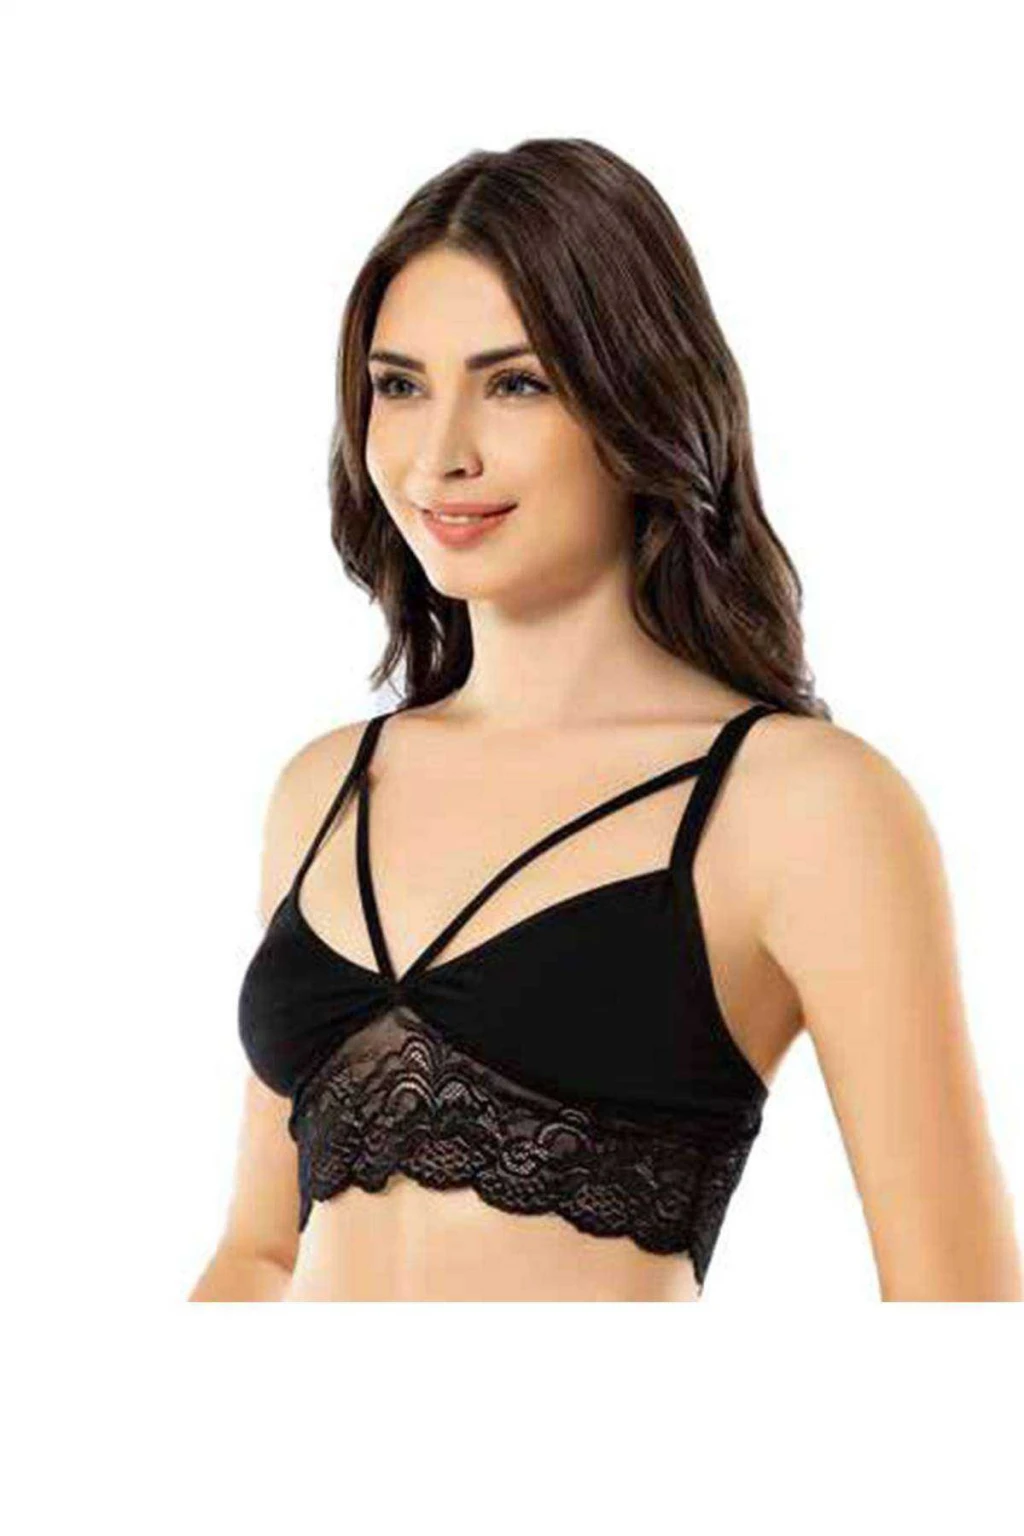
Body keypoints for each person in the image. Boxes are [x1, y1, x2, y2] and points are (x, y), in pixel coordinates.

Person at [189, 138, 1021, 1303]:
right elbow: (259, 1252)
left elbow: (960, 1308)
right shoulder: (327, 786)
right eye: (400, 386)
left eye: (516, 384)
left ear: (639, 396)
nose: (440, 455)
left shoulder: (802, 804)